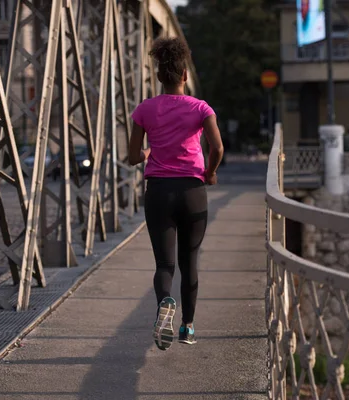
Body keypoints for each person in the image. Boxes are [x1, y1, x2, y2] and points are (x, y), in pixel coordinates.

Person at [128, 37, 224, 350]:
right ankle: (187, 327)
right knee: (190, 260)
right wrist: (209, 173)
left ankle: (165, 301)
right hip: (193, 191)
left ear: (159, 77)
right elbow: (217, 147)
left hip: (159, 192)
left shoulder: (145, 109)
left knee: (164, 265)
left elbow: (133, 156)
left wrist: (148, 151)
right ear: (185, 75)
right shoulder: (201, 108)